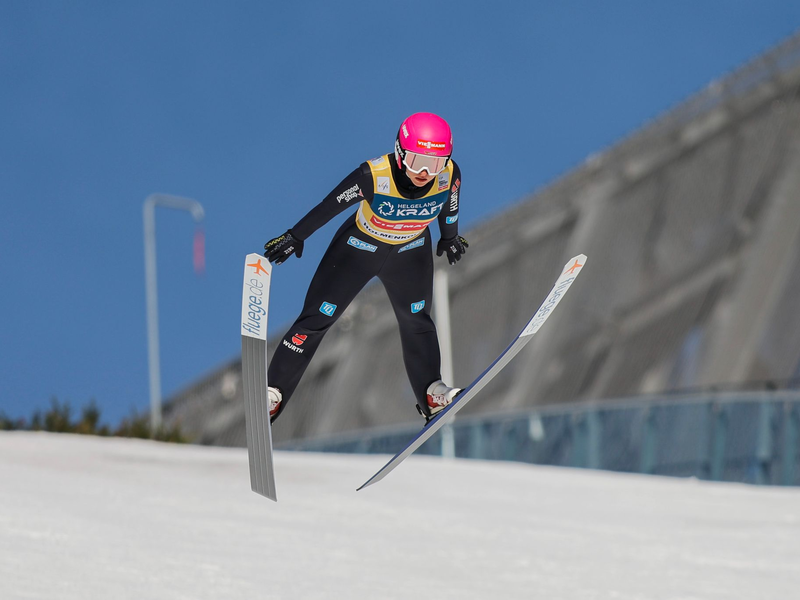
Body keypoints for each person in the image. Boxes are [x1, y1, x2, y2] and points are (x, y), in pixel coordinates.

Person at [263, 112, 468, 424]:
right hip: (359, 249)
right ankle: (273, 393)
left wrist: (450, 237)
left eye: (434, 163)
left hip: (409, 252)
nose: (425, 172)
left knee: (417, 321)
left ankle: (431, 393)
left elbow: (449, 207)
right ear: (400, 153)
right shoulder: (373, 175)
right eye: (416, 161)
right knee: (317, 319)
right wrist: (295, 236)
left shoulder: (450, 175)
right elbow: (329, 206)